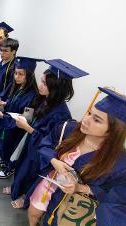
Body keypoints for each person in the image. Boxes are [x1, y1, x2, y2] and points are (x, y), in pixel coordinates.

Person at [28, 87, 126, 226]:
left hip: (72, 201)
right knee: (33, 213)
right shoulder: (68, 129)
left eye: (96, 120)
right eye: (90, 113)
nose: (86, 120)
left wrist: (81, 188)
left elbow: (119, 194)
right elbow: (45, 144)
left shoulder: (119, 163)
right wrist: (54, 160)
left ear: (113, 132)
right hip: (50, 183)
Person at [5, 59, 88, 210]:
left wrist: (29, 129)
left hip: (40, 152)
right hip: (30, 143)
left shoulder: (61, 114)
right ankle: (16, 188)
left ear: (55, 88)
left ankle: (26, 198)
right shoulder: (44, 100)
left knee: (31, 173)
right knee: (21, 166)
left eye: (44, 83)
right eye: (41, 81)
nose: (39, 85)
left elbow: (50, 142)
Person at [0, 57, 40, 179]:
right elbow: (11, 99)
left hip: (17, 129)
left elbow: (26, 119)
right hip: (7, 124)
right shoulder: (16, 86)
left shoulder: (33, 95)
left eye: (21, 74)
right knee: (4, 144)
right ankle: (4, 161)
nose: (16, 76)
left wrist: (3, 116)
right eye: (15, 73)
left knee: (13, 148)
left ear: (29, 75)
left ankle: (10, 167)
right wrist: (5, 103)